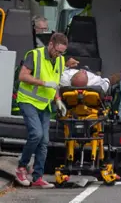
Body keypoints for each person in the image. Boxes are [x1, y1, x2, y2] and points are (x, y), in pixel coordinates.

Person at [15, 33, 78, 188]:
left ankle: (37, 178)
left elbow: (54, 83)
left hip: (44, 104)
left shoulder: (60, 60)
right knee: (36, 134)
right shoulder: (34, 55)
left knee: (44, 142)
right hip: (28, 101)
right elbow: (22, 76)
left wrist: (58, 100)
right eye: (57, 51)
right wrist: (43, 83)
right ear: (50, 44)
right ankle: (21, 167)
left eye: (62, 52)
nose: (59, 55)